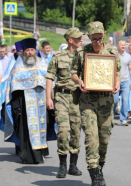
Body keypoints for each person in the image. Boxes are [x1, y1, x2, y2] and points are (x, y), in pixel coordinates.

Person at [71, 21, 120, 186]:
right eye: (94, 39)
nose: (97, 42)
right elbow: (73, 73)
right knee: (91, 138)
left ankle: (99, 166)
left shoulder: (112, 52)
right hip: (88, 101)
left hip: (106, 101)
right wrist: (80, 82)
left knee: (104, 140)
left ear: (104, 34)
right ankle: (95, 174)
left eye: (100, 38)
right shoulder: (81, 52)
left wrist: (117, 83)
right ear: (88, 36)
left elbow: (117, 73)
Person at [0, 38, 56, 164]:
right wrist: (16, 107)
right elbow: (13, 88)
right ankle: (29, 156)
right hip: (25, 105)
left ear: (35, 50)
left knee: (43, 127)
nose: (30, 52)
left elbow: (50, 82)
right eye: (27, 50)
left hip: (42, 103)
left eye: (32, 50)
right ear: (24, 52)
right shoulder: (17, 67)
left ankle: (40, 152)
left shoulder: (43, 64)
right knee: (27, 130)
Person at [46, 28, 84, 178]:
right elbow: (50, 77)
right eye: (78, 38)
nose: (81, 40)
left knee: (75, 133)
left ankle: (73, 165)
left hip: (77, 98)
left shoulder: (84, 57)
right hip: (61, 96)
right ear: (70, 40)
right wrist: (48, 98)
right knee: (63, 131)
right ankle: (62, 164)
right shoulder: (58, 56)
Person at [115, 40, 131, 126]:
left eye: (124, 45)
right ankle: (110, 118)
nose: (123, 46)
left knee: (125, 101)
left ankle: (123, 119)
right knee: (114, 101)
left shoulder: (128, 57)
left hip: (125, 81)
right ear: (117, 46)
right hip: (115, 81)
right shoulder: (114, 55)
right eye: (121, 45)